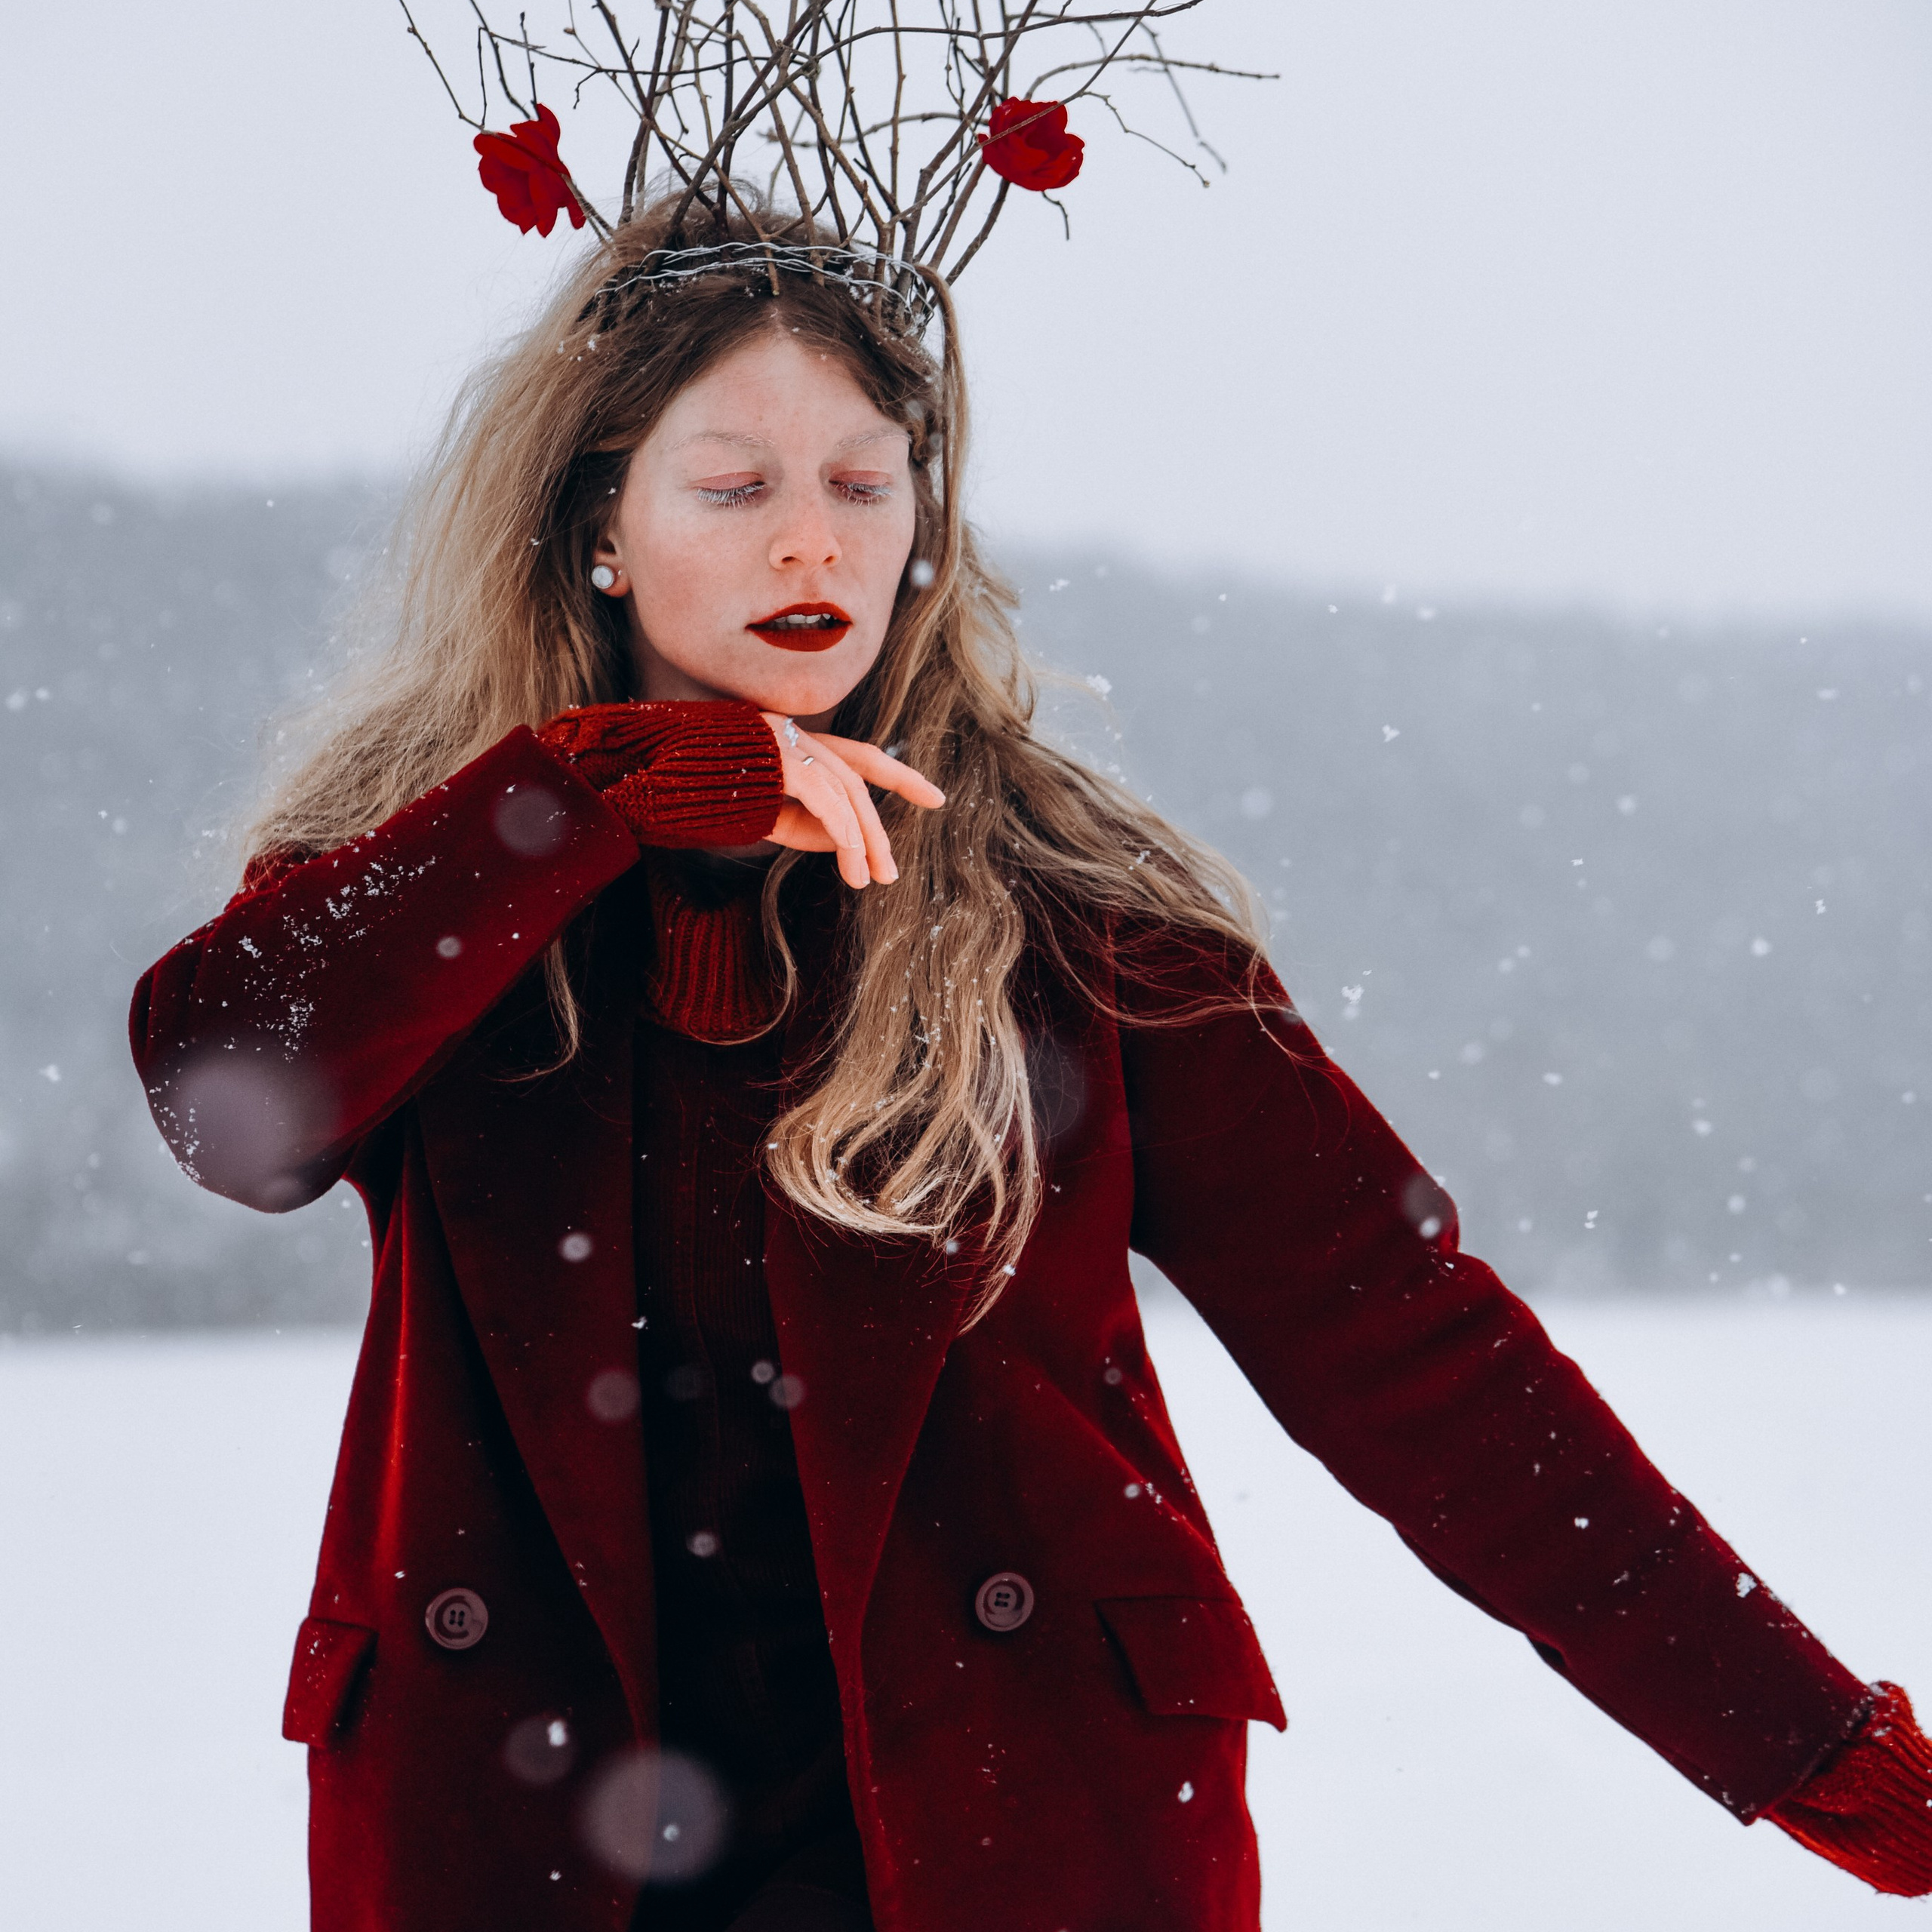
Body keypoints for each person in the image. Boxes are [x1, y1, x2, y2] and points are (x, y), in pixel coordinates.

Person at [131, 72, 1932, 1932]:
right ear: (600, 523)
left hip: (1017, 1835)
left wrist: (1826, 1757)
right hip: (521, 1841)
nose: (812, 543)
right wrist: (587, 796)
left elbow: (1422, 1362)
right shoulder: (447, 876)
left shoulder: (1069, 918)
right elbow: (222, 1096)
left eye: (861, 483)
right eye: (734, 487)